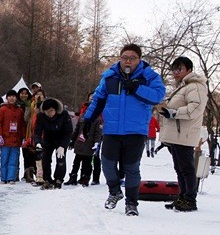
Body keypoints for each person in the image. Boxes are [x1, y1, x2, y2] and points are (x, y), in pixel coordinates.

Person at [81, 44, 166, 216]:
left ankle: (131, 203)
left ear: (139, 60)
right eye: (124, 57)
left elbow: (158, 96)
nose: (128, 61)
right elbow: (98, 99)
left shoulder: (148, 76)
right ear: (120, 58)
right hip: (112, 129)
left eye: (132, 58)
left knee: (131, 167)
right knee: (107, 163)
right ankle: (114, 191)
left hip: (136, 130)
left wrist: (136, 88)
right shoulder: (110, 77)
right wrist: (88, 119)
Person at [158, 56, 209, 212]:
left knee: (186, 168)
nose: (176, 72)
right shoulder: (182, 86)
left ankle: (190, 199)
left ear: (189, 69)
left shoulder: (196, 86)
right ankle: (182, 196)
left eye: (179, 69)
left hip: (184, 134)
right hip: (176, 134)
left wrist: (173, 113)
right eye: (174, 69)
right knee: (180, 168)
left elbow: (196, 107)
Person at [33, 98, 73, 189]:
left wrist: (63, 146)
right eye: (47, 111)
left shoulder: (64, 114)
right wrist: (38, 142)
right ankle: (47, 179)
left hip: (61, 139)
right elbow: (37, 131)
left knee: (61, 160)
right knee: (45, 160)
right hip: (48, 140)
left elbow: (68, 132)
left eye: (51, 111)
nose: (49, 113)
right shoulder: (40, 116)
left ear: (56, 110)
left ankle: (59, 179)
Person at [65, 102, 103, 186]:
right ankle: (73, 176)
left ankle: (85, 177)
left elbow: (98, 133)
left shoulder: (97, 120)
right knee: (76, 162)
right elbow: (77, 129)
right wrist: (72, 140)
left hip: (89, 145)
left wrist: (96, 143)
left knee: (87, 163)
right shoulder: (82, 117)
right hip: (80, 143)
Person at [0, 90, 25, 183]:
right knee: (4, 159)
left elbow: (22, 125)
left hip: (16, 139)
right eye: (10, 96)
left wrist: (23, 137)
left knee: (14, 160)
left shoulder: (20, 110)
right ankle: (3, 178)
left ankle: (11, 178)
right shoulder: (2, 109)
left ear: (16, 98)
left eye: (13, 96)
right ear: (7, 98)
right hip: (5, 139)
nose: (12, 98)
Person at [17, 87, 37, 182]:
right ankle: (25, 173)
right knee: (23, 153)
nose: (23, 95)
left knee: (30, 153)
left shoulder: (31, 104)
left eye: (25, 93)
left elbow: (27, 118)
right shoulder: (16, 104)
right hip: (19, 131)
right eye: (21, 93)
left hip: (29, 131)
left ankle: (30, 173)